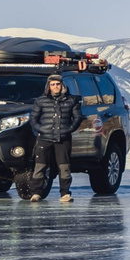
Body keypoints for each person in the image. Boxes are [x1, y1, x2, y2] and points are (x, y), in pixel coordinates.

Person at [29, 71, 84, 200]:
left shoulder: (71, 100)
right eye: (52, 84)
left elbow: (78, 117)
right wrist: (40, 129)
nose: (55, 87)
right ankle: (36, 193)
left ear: (62, 85)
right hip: (44, 138)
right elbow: (33, 119)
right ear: (48, 86)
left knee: (64, 167)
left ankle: (65, 193)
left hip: (63, 139)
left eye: (57, 84)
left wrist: (69, 129)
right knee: (40, 166)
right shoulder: (40, 101)